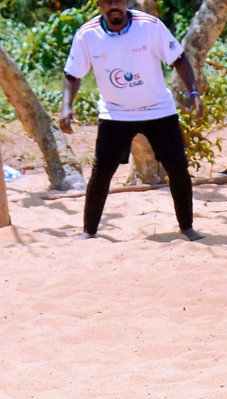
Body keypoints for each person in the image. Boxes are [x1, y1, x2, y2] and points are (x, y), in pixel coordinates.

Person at [59, 0, 202, 241]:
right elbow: (72, 75)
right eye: (107, 1)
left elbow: (178, 59)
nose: (113, 5)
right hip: (116, 113)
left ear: (125, 2)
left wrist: (194, 93)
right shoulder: (87, 35)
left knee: (178, 167)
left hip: (158, 110)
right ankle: (89, 231)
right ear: (99, 4)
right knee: (102, 171)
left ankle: (186, 227)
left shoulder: (150, 26)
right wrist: (66, 107)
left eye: (118, 0)